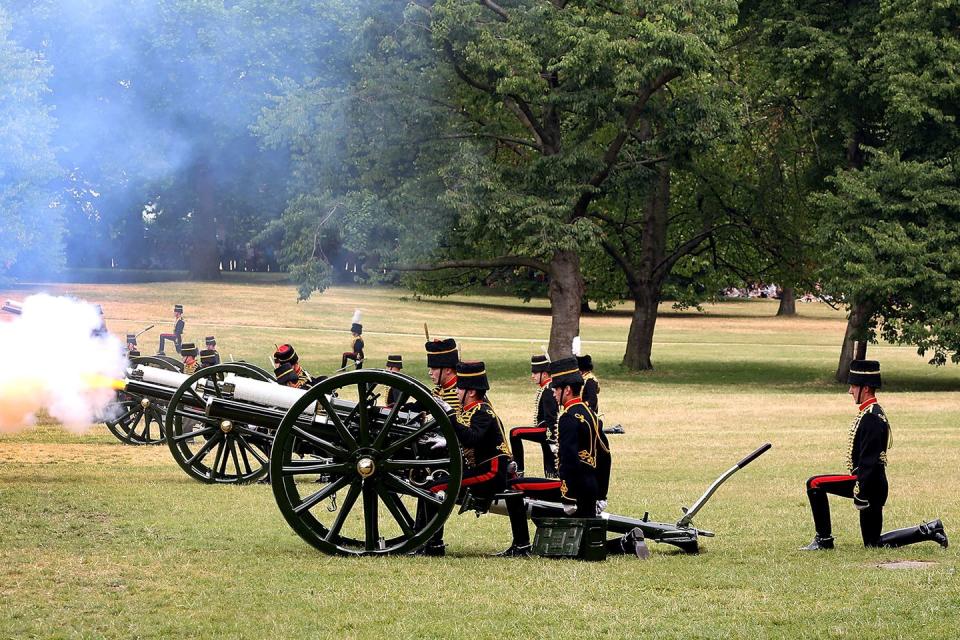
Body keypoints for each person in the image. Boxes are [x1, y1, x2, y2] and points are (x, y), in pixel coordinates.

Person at [802, 360, 948, 550]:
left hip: (867, 484)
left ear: (866, 388)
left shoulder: (871, 416)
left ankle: (824, 540)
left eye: (854, 386)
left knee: (815, 483)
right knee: (873, 543)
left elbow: (869, 461)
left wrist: (861, 492)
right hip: (872, 484)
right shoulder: (871, 412)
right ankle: (929, 529)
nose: (850, 391)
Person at [414, 361, 531, 557]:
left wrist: (449, 416)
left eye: (460, 388)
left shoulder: (482, 411)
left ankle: (433, 545)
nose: (457, 391)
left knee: (434, 489)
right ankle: (428, 541)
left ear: (470, 392)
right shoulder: (472, 410)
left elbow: (472, 437)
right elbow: (470, 440)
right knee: (434, 484)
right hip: (484, 468)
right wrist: (446, 442)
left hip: (491, 472)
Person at [535, 356, 645, 557]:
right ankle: (625, 544)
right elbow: (606, 456)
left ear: (566, 390)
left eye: (556, 389)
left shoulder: (568, 418)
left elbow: (568, 461)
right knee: (587, 541)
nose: (553, 392)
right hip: (591, 486)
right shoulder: (589, 414)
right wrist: (601, 493)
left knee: (578, 547)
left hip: (576, 489)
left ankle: (626, 543)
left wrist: (567, 497)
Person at [508, 354, 559, 477]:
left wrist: (552, 439)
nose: (532, 376)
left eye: (535, 373)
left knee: (515, 433)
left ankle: (519, 470)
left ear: (545, 374)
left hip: (546, 431)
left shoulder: (548, 390)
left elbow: (551, 417)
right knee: (549, 464)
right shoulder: (547, 388)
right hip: (545, 431)